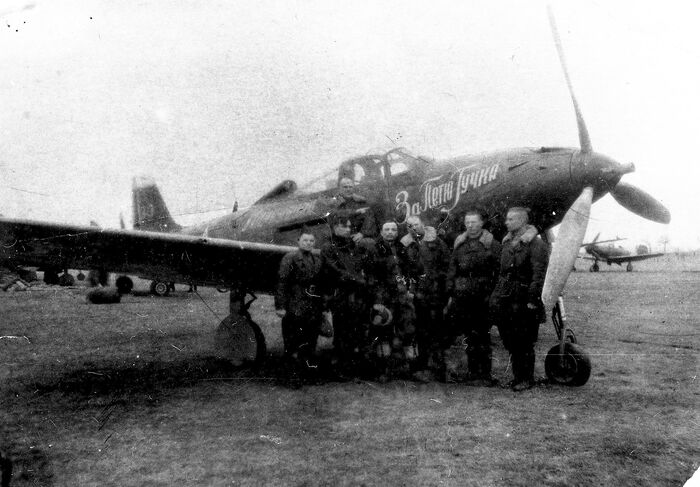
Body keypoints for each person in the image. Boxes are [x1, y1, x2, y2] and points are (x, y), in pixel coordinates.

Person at [489, 207, 549, 391]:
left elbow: (538, 274)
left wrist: (532, 299)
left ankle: (526, 379)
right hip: (506, 296)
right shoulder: (507, 243)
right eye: (506, 219)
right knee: (510, 338)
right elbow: (502, 272)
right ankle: (517, 377)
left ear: (522, 221)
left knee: (524, 340)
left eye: (511, 219)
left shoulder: (536, 244)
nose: (506, 222)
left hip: (523, 297)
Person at [446, 209, 501, 385]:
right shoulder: (460, 243)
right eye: (467, 222)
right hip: (462, 295)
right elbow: (452, 269)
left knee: (482, 336)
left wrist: (492, 294)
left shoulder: (492, 244)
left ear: (482, 223)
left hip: (482, 296)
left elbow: (499, 272)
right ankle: (472, 372)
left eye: (474, 222)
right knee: (469, 335)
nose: (470, 226)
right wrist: (451, 291)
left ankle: (484, 375)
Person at [320, 212, 373, 378]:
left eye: (350, 226)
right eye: (345, 226)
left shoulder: (353, 246)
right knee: (342, 331)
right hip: (340, 295)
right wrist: (359, 280)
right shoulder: (328, 247)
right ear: (335, 227)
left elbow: (362, 264)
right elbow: (335, 270)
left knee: (358, 331)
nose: (349, 229)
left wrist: (364, 278)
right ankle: (340, 368)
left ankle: (356, 367)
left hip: (357, 295)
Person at [400, 215, 451, 381]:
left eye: (416, 224)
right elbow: (403, 269)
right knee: (420, 332)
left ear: (422, 224)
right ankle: (421, 367)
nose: (413, 228)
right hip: (416, 295)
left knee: (436, 331)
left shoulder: (437, 242)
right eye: (409, 226)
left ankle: (438, 369)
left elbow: (447, 266)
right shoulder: (405, 244)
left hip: (435, 294)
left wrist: (440, 285)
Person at [368, 220, 418, 380]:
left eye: (393, 229)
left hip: (402, 296)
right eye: (387, 229)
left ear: (397, 232)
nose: (390, 232)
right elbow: (372, 276)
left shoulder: (402, 248)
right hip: (384, 297)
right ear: (381, 232)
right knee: (384, 332)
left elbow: (411, 271)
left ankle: (410, 370)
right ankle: (384, 370)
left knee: (408, 329)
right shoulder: (375, 249)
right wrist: (378, 299)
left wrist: (411, 290)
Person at [275, 231, 326, 378]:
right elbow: (282, 282)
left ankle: (307, 374)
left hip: (313, 306)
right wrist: (280, 306)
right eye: (305, 240)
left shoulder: (317, 260)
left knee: (310, 341)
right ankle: (291, 376)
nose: (308, 243)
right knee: (292, 343)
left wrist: (322, 306)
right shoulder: (290, 258)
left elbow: (321, 284)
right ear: (298, 241)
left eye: (311, 241)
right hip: (295, 304)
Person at [336, 177, 379, 242]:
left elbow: (369, 219)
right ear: (339, 189)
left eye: (350, 187)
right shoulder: (334, 203)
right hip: (341, 238)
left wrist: (362, 233)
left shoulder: (361, 202)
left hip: (359, 237)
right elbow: (334, 215)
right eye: (345, 187)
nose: (348, 189)